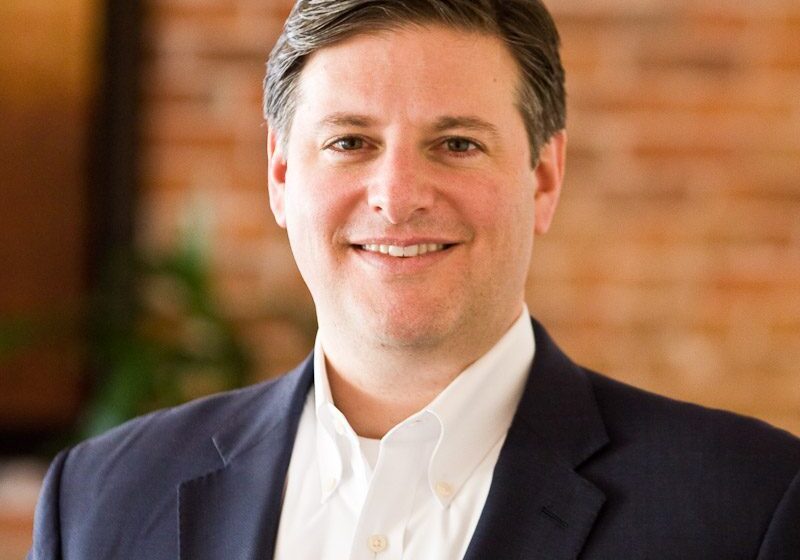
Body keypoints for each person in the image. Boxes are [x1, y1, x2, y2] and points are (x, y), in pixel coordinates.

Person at [29, 1, 800, 558]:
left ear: (543, 177)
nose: (397, 197)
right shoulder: (99, 500)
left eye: (457, 143)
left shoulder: (748, 505)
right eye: (351, 141)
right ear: (281, 174)